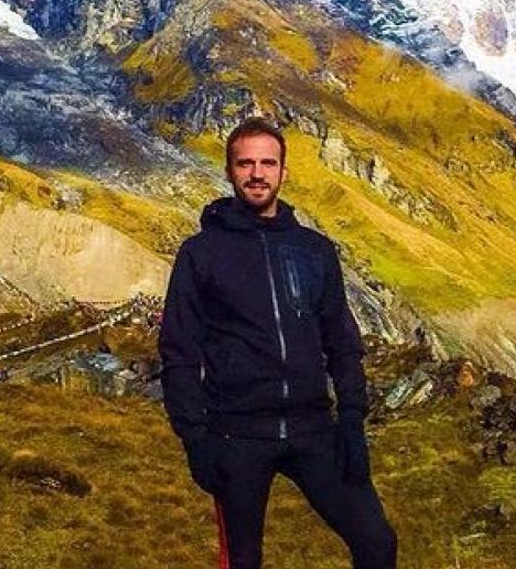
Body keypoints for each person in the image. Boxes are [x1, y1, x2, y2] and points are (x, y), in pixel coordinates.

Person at [159, 117, 398, 569]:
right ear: (229, 171)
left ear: (284, 172)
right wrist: (196, 440)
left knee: (377, 543)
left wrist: (351, 422)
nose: (257, 173)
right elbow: (179, 352)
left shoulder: (314, 249)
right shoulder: (201, 253)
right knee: (243, 562)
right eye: (245, 163)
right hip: (237, 435)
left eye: (268, 163)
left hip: (315, 430)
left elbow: (342, 342)